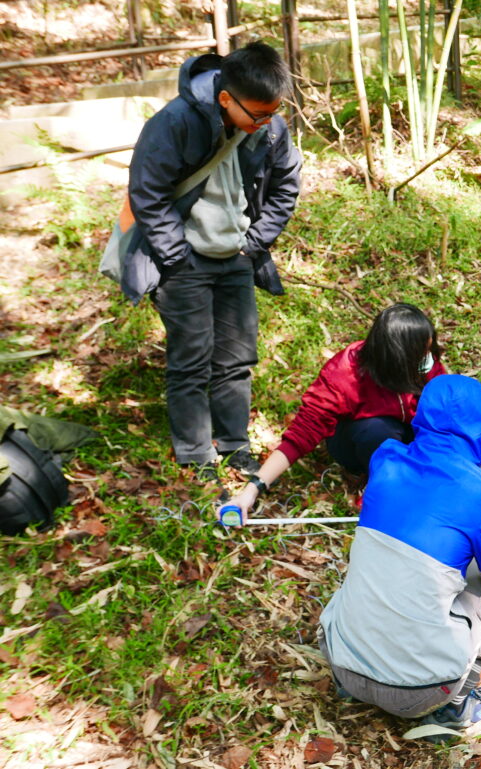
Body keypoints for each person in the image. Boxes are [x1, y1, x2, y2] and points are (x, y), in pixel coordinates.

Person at [317, 374, 481, 733]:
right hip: (415, 693)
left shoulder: (385, 459)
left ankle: (363, 681)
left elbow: (441, 451)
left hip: (340, 662)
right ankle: (455, 709)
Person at [124, 41, 301, 482]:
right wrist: (176, 255)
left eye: (272, 113)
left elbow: (286, 186)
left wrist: (253, 243)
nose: (266, 123)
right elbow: (148, 192)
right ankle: (195, 454)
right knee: (191, 359)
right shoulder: (174, 122)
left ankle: (235, 445)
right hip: (185, 261)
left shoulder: (271, 126)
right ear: (226, 98)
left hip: (236, 256)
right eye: (258, 115)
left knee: (236, 358)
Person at [221, 303, 481, 517]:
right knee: (378, 432)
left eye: (431, 351)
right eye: (422, 355)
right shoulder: (344, 374)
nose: (429, 361)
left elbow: (449, 418)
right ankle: (380, 484)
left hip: (407, 434)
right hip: (359, 440)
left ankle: (415, 477)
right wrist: (253, 488)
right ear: (398, 358)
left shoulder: (427, 366)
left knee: (428, 437)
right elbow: (300, 435)